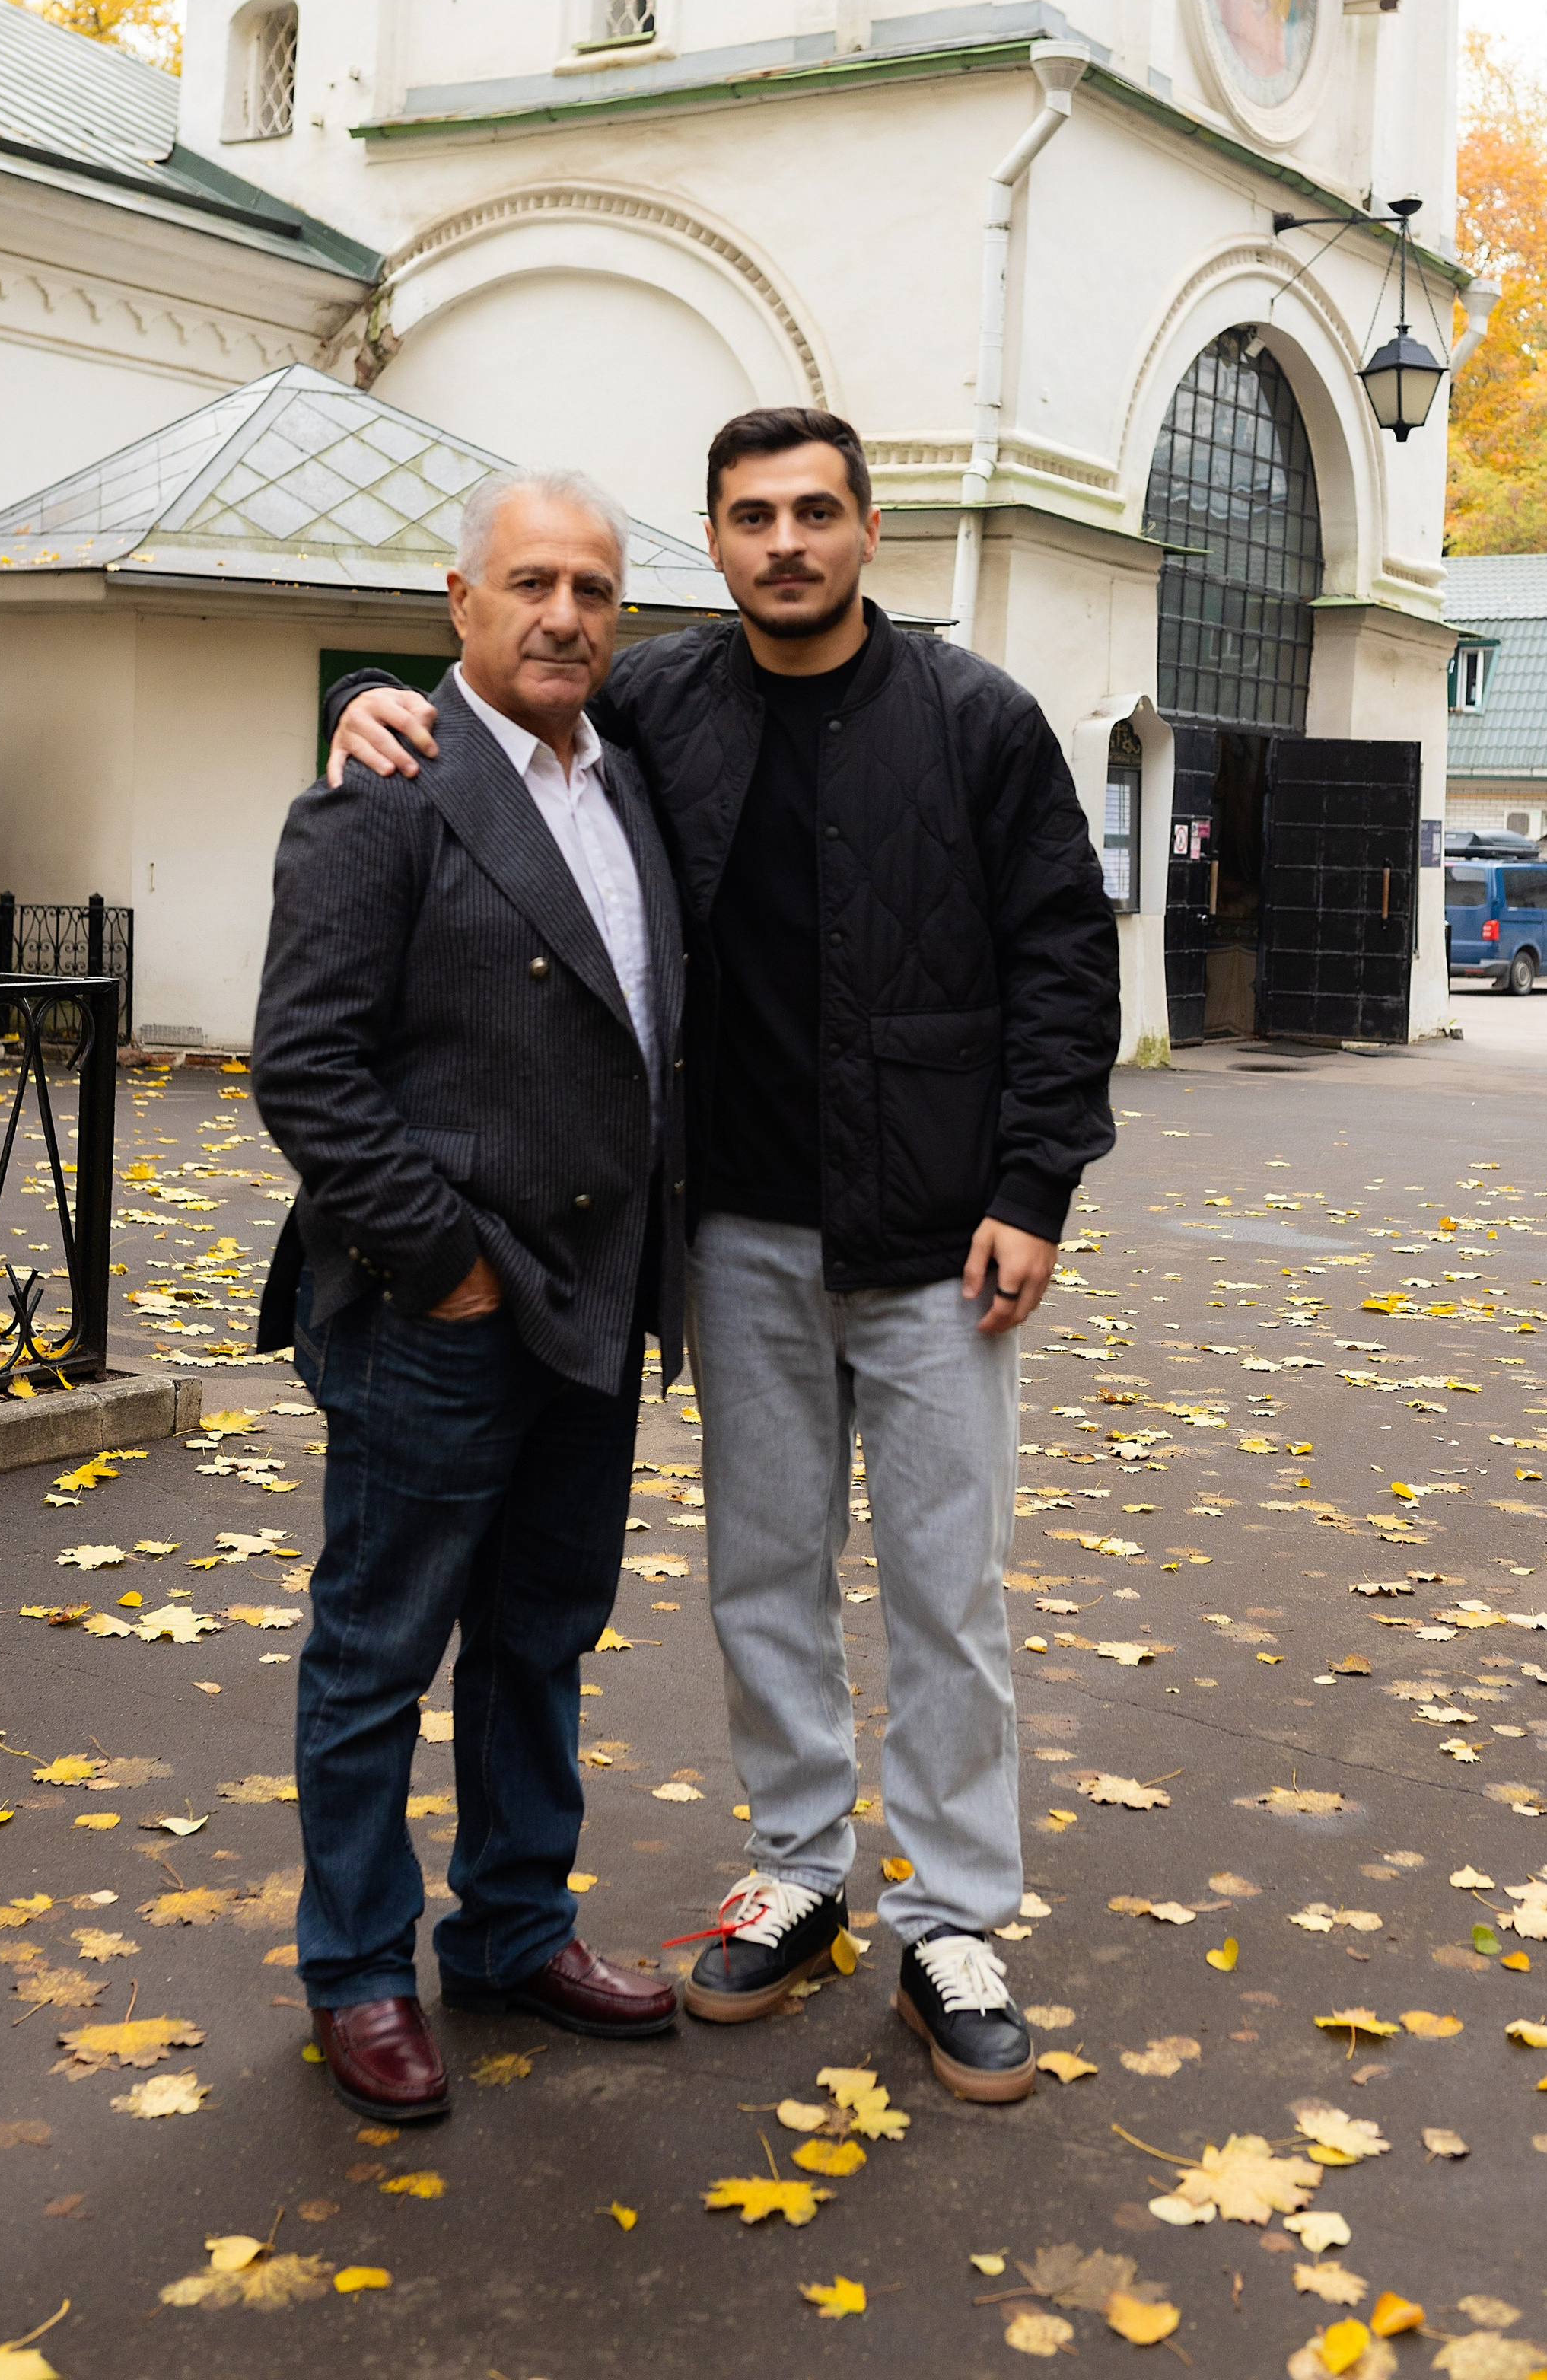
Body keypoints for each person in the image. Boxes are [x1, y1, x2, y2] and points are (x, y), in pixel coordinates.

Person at [326, 406, 1119, 2106]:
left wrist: (1035, 1185)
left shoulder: (976, 723)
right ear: (718, 538)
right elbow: (498, 725)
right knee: (763, 1569)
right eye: (751, 516)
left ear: (866, 532)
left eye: (814, 513)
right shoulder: (651, 708)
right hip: (731, 1243)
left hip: (934, 1250)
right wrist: (373, 702)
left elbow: (1063, 956)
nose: (784, 543)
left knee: (943, 1588)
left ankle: (957, 1917)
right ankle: (800, 1870)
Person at [251, 469, 689, 2126]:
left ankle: (512, 1929)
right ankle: (359, 1970)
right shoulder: (385, 796)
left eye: (590, 584)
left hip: (597, 1300)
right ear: (459, 602)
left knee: (539, 1638)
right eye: (528, 583)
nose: (561, 612)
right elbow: (304, 1066)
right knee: (377, 1652)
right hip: (442, 1312)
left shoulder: (627, 774)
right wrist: (442, 1271)